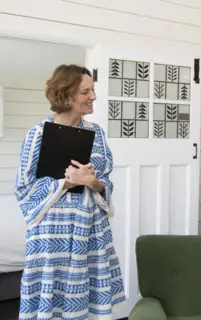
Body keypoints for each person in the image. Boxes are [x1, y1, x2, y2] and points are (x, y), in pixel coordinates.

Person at [15, 65, 125, 320]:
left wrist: (92, 181)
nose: (93, 96)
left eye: (93, 90)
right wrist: (64, 183)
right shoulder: (37, 134)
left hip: (91, 231)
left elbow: (105, 181)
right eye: (85, 91)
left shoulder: (96, 133)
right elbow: (24, 188)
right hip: (52, 234)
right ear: (65, 95)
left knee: (89, 309)